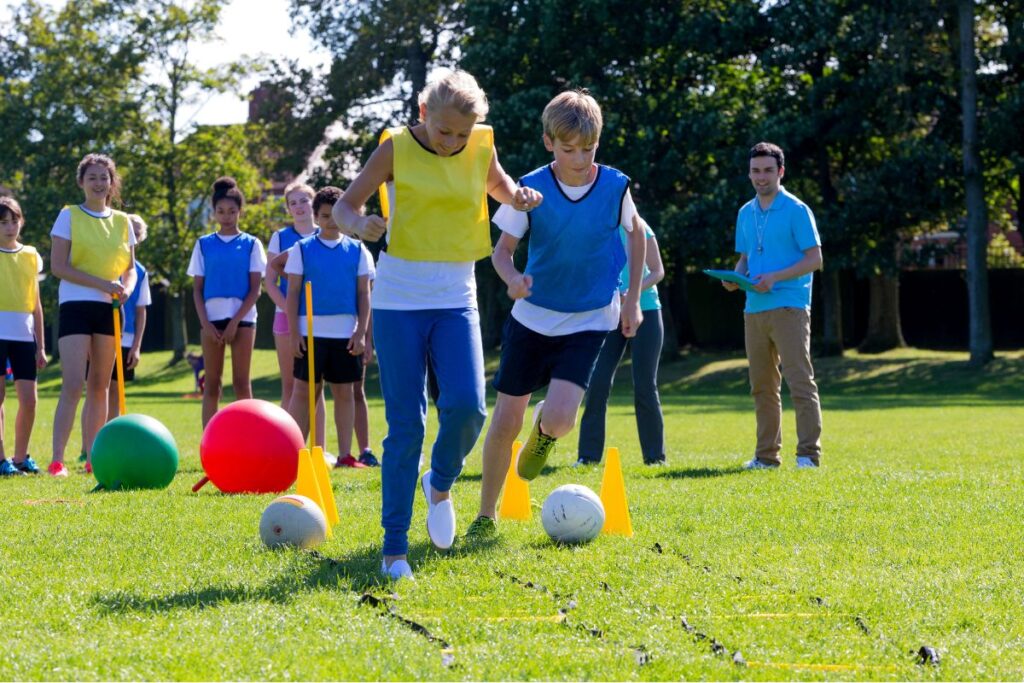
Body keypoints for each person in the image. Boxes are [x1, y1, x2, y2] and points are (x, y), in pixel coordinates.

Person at [332, 69, 541, 580]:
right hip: (399, 299)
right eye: (444, 131)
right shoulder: (395, 149)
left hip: (456, 297)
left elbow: (497, 185)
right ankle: (394, 549)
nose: (452, 143)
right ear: (424, 114)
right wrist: (360, 225)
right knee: (407, 426)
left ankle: (440, 481)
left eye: (462, 135)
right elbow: (343, 206)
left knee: (468, 409)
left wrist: (517, 196)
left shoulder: (478, 147)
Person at [469, 89, 645, 539]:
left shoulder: (615, 186)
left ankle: (545, 433)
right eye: (569, 149)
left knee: (564, 419)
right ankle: (487, 514)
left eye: (588, 149)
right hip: (532, 318)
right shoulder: (528, 189)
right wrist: (512, 279)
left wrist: (631, 300)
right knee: (506, 419)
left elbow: (637, 237)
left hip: (590, 318)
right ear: (550, 143)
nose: (580, 158)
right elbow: (502, 252)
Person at [720, 141, 823, 469]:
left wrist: (776, 277)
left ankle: (808, 454)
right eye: (755, 171)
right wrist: (734, 278)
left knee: (799, 381)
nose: (761, 177)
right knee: (762, 386)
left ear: (780, 171)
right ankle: (766, 457)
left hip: (790, 307)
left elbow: (815, 259)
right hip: (754, 309)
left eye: (767, 170)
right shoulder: (744, 213)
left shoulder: (796, 209)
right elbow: (745, 258)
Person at [49, 153, 138, 477]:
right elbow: (59, 267)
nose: (99, 183)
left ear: (111, 182)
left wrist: (126, 288)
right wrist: (101, 283)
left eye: (104, 177)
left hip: (110, 309)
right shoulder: (68, 216)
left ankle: (92, 459)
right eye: (92, 178)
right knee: (73, 384)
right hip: (75, 306)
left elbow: (130, 270)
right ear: (81, 182)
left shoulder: (123, 221)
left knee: (100, 385)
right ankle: (57, 460)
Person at [282, 185, 373, 469]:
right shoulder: (301, 248)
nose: (330, 221)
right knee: (303, 392)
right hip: (309, 333)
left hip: (345, 334)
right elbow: (293, 292)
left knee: (345, 393)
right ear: (316, 216)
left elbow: (363, 294)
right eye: (324, 216)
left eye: (335, 216)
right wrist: (294, 333)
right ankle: (295, 453)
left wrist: (361, 333)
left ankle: (345, 455)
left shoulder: (358, 250)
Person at [577, 215, 667, 466]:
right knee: (597, 382)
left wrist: (633, 293)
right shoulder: (596, 228)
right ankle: (587, 457)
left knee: (645, 385)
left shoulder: (640, 227)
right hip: (609, 314)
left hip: (646, 310)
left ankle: (655, 458)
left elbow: (658, 270)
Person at [187, 177, 266, 427]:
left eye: (232, 211)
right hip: (211, 320)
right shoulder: (203, 244)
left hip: (243, 320)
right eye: (221, 211)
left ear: (240, 211)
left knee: (242, 383)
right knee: (212, 383)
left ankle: (250, 440)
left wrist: (234, 322)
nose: (227, 216)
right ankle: (209, 444)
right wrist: (207, 325)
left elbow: (256, 289)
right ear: (214, 212)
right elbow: (197, 290)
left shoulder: (252, 244)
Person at [264, 182, 328, 457]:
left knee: (318, 386)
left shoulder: (325, 234)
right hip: (286, 321)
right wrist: (289, 310)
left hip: (320, 321)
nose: (299, 207)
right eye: (294, 203)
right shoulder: (280, 237)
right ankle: (288, 449)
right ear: (288, 208)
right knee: (291, 384)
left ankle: (319, 449)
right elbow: (270, 281)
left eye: (304, 201)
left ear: (313, 204)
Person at [79, 214, 151, 442]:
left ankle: (111, 441)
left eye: (138, 231)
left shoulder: (140, 272)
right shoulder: (105, 265)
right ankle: (88, 446)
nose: (134, 234)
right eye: (131, 230)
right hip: (101, 333)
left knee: (115, 392)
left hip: (126, 339)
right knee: (96, 388)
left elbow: (141, 311)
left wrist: (136, 346)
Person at [0, 197, 47, 476]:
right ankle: (1, 459)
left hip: (23, 337)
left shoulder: (31, 255)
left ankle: (20, 458)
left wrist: (40, 346)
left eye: (14, 220)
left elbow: (36, 303)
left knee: (29, 400)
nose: (9, 226)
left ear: (21, 222)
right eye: (3, 222)